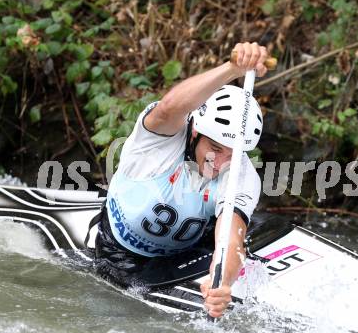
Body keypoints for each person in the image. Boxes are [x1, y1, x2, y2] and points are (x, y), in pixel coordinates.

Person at [95, 42, 269, 318]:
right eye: (215, 147)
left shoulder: (242, 174)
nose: (221, 163)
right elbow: (169, 107)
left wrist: (222, 282)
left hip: (193, 246)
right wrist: (233, 68)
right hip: (123, 252)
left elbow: (230, 240)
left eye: (232, 154)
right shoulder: (158, 140)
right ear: (194, 132)